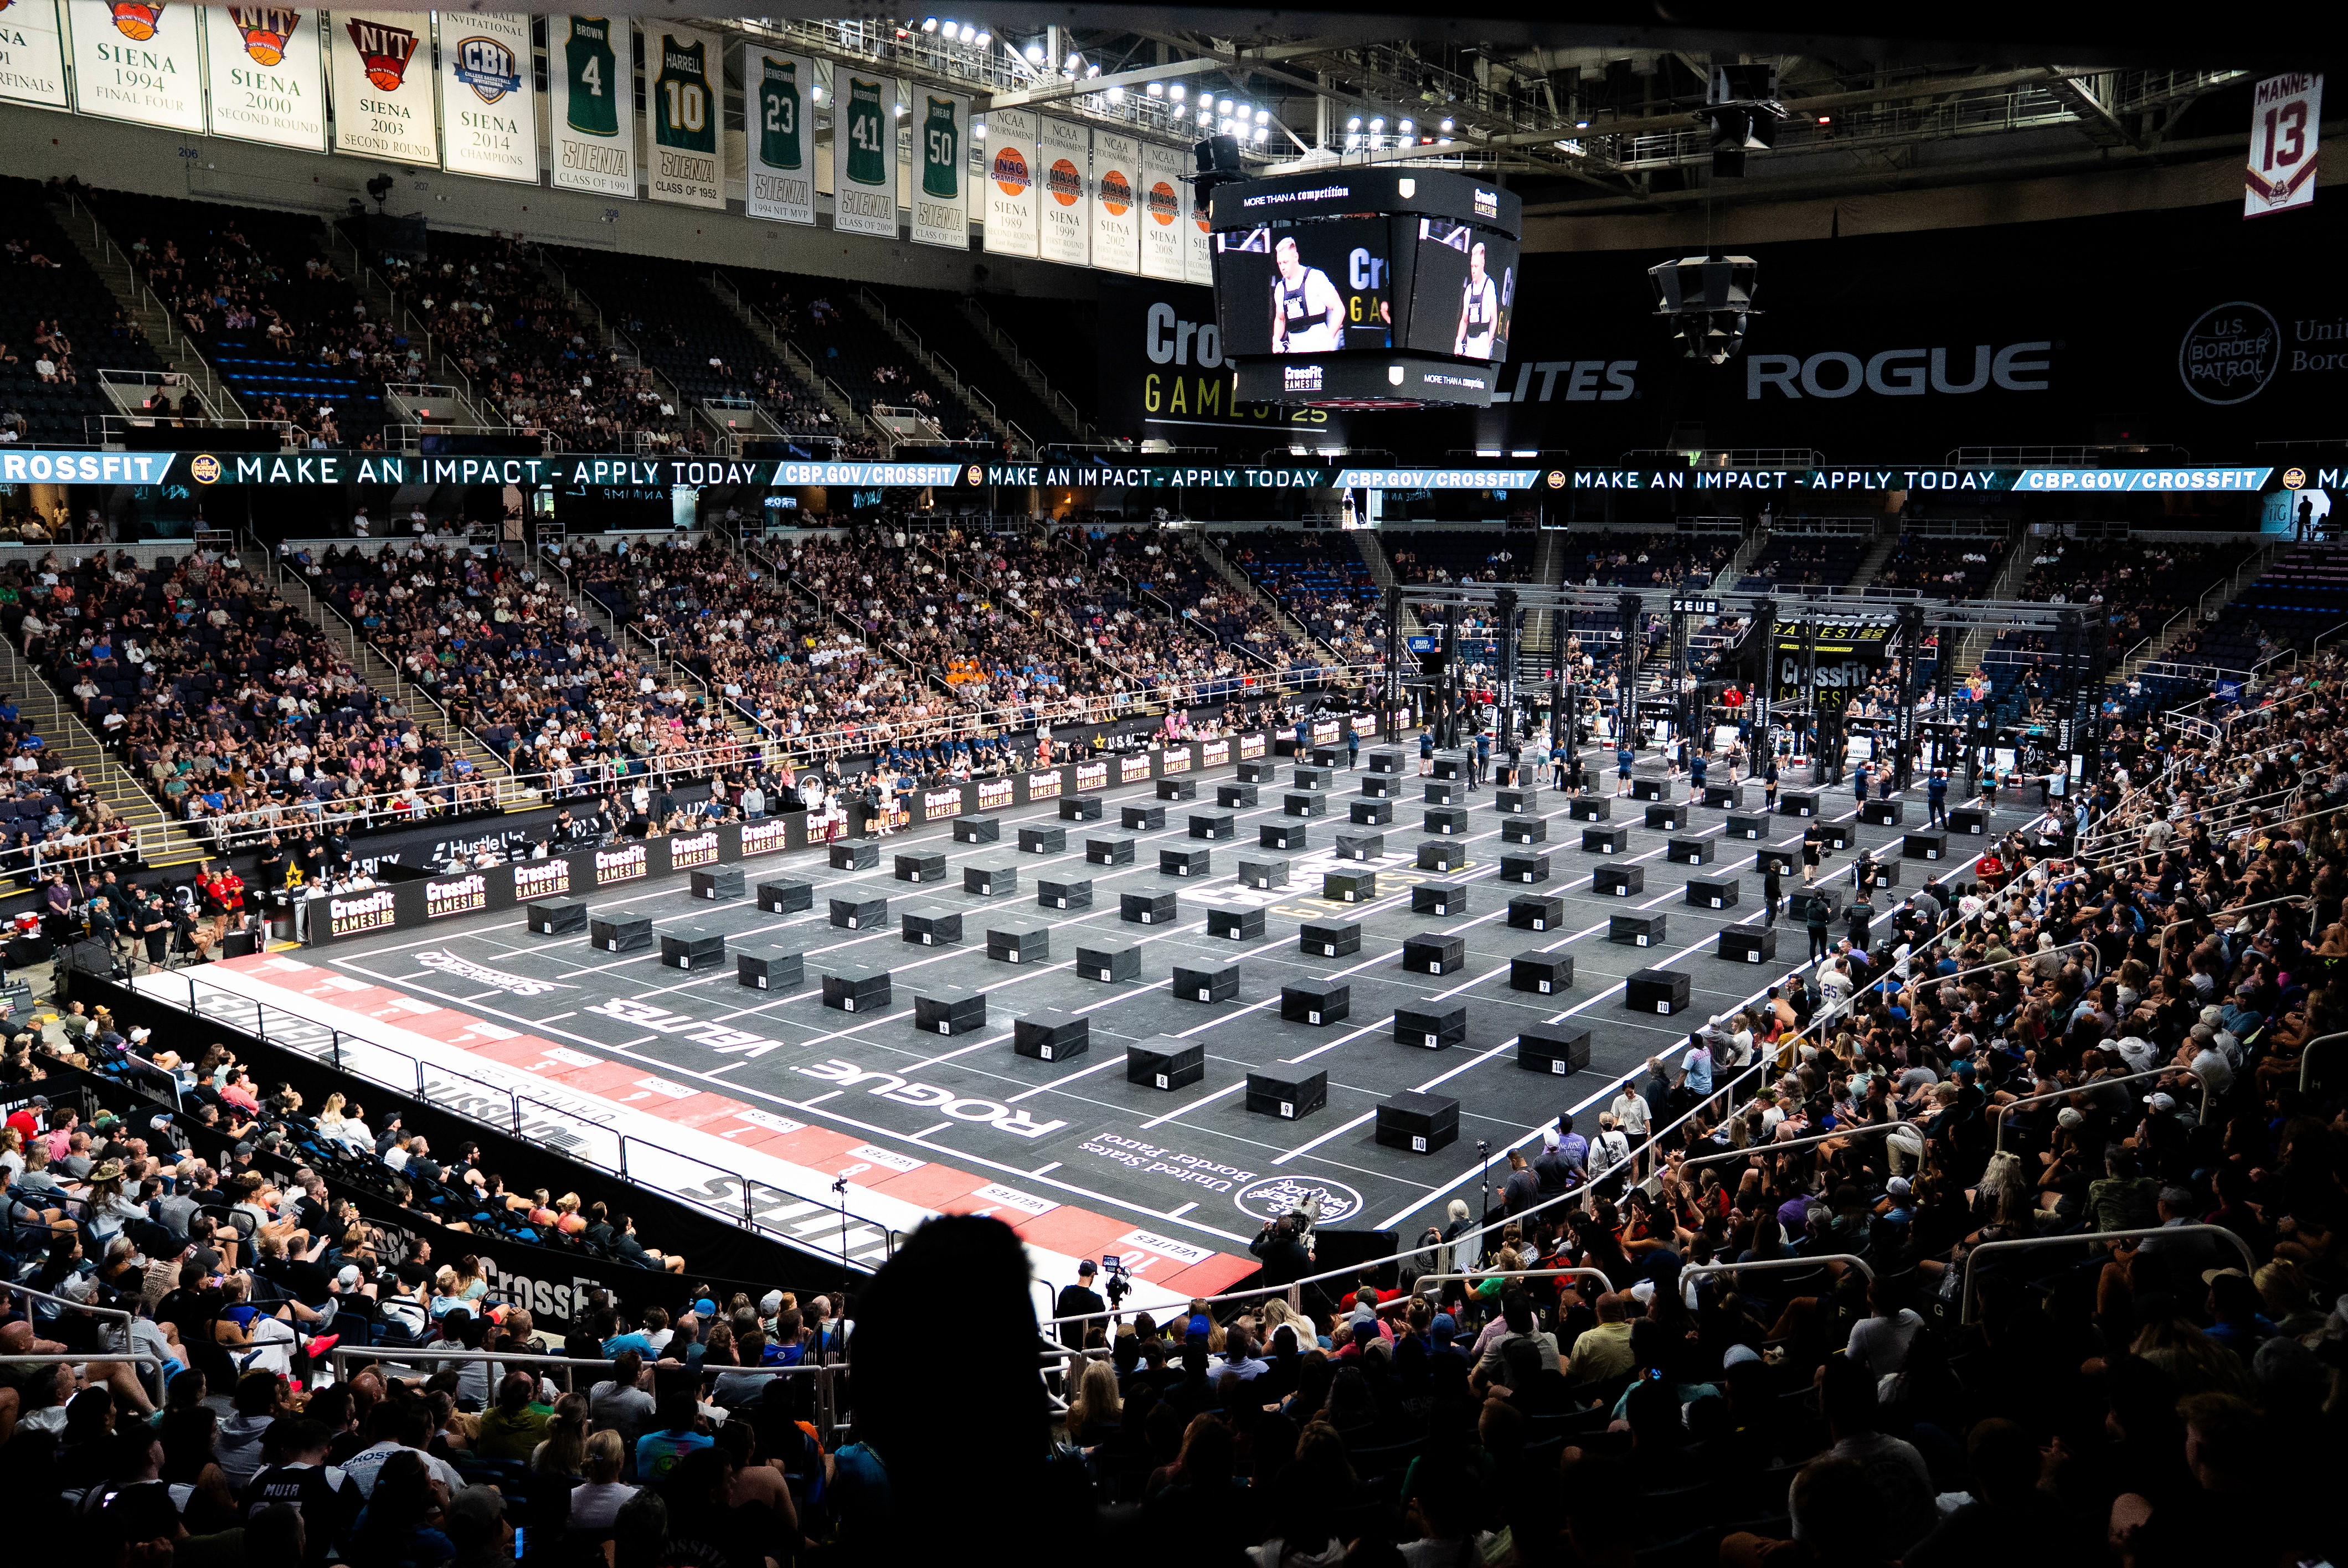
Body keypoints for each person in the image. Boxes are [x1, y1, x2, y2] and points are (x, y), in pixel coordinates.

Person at [1270, 236, 1343, 355]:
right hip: (1295, 352)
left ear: (1296, 257)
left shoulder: (1315, 277)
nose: (1282, 267)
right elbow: (1280, 318)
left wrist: (1329, 338)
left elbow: (1339, 308)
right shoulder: (1280, 288)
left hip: (1320, 348)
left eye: (1285, 262)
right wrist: (1276, 340)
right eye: (1279, 263)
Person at [1053, 1260, 1106, 1350]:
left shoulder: (1066, 1292)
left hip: (1067, 1344)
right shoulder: (1096, 1300)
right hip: (1087, 1347)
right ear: (1093, 1274)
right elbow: (1101, 1329)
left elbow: (1059, 1315)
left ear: (1079, 1272)